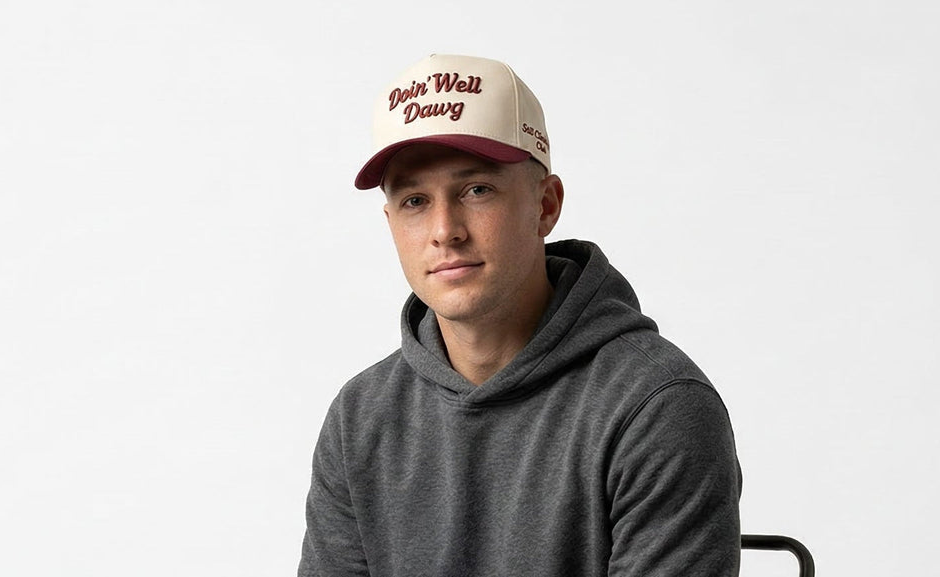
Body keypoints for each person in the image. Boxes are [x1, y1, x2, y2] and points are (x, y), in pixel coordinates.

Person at [298, 54, 742, 576]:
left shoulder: (655, 406)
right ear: (391, 222)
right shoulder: (361, 416)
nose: (445, 230)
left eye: (476, 190)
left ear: (546, 205)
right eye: (415, 200)